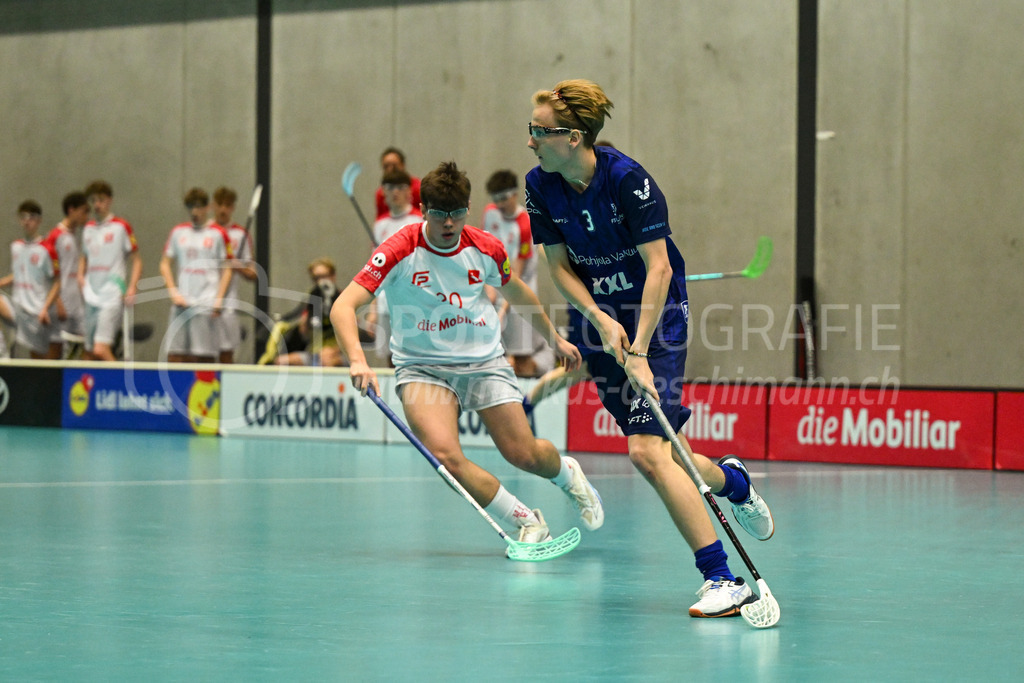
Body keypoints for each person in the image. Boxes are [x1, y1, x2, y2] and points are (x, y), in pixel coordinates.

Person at [525, 80, 774, 617]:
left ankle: (722, 579)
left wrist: (637, 348)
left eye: (540, 132)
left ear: (573, 137)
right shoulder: (540, 185)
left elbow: (659, 268)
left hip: (656, 319)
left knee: (646, 452)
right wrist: (597, 319)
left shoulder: (628, 182)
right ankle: (732, 479)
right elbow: (558, 268)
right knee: (666, 452)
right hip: (599, 321)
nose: (531, 142)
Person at [330, 160, 604, 553]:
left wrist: (554, 339)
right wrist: (357, 359)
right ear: (423, 210)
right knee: (446, 458)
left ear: (467, 210)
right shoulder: (398, 250)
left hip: (483, 363)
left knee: (523, 454)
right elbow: (343, 306)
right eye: (439, 214)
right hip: (422, 368)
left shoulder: (486, 248)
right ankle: (527, 521)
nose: (448, 223)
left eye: (457, 213)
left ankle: (567, 473)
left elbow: (518, 294)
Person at [481, 169, 552, 378]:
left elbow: (517, 275)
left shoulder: (525, 223)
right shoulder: (490, 213)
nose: (500, 204)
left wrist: (503, 309)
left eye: (503, 198)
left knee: (521, 360)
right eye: (496, 199)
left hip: (520, 293)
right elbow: (484, 253)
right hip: (495, 290)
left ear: (514, 194)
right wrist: (488, 291)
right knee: (493, 355)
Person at [158, 187, 234, 363]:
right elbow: (164, 264)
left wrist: (219, 299)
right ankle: (175, 391)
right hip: (181, 304)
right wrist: (173, 292)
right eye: (191, 207)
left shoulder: (218, 234)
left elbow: (227, 269)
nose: (194, 212)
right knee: (175, 355)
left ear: (207, 208)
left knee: (202, 357)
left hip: (205, 303)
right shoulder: (178, 232)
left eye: (199, 207)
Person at [79, 180, 142, 361]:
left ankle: (121, 385)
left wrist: (132, 287)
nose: (96, 205)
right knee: (89, 353)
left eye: (100, 200)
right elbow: (83, 257)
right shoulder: (88, 229)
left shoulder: (121, 226)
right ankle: (89, 388)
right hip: (91, 295)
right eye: (93, 201)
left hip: (112, 294)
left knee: (101, 349)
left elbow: (137, 261)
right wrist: (81, 278)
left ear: (109, 201)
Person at [369, 167, 422, 365]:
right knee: (391, 359)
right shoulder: (379, 225)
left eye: (400, 187)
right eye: (390, 187)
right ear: (383, 192)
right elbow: (374, 268)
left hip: (412, 301)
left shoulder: (419, 221)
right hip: (385, 302)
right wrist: (373, 308)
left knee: (412, 355)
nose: (395, 192)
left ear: (409, 191)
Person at [0, 201, 62, 359]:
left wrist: (45, 308)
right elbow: (19, 275)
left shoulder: (46, 249)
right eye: (24, 217)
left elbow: (57, 282)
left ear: (39, 220)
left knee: (38, 358)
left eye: (32, 217)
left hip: (36, 312)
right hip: (17, 309)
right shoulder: (16, 246)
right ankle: (3, 355)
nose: (27, 221)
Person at [212, 186, 258, 363]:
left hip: (228, 303)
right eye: (220, 205)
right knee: (200, 353)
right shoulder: (206, 231)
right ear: (213, 206)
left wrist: (236, 265)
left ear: (233, 208)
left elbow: (252, 273)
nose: (223, 209)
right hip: (203, 298)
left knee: (226, 351)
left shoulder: (240, 234)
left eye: (227, 205)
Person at [273, 257, 345, 367]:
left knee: (326, 361)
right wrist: (305, 320)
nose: (321, 281)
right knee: (281, 361)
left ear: (333, 276)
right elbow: (303, 333)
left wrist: (334, 350)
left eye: (324, 276)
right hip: (314, 352)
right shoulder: (312, 298)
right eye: (317, 278)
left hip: (339, 354)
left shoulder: (344, 298)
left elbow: (354, 336)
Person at [46, 192, 90, 349]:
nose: (87, 216)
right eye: (84, 211)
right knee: (57, 348)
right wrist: (57, 302)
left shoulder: (75, 237)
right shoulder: (55, 237)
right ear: (72, 210)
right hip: (61, 305)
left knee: (87, 344)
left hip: (76, 304)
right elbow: (48, 274)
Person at [374, 147, 421, 220]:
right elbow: (380, 219)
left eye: (394, 165)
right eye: (386, 166)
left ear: (403, 165)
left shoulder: (418, 188)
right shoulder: (381, 194)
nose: (390, 169)